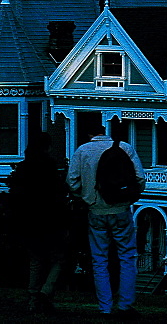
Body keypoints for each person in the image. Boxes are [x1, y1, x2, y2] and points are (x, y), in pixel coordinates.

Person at [68, 122, 146, 318]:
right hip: (121, 208)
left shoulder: (82, 151)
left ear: (89, 133)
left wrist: (86, 197)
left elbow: (72, 181)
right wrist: (129, 198)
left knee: (99, 259)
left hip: (96, 209)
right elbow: (140, 179)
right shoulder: (125, 147)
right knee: (127, 256)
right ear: (105, 130)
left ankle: (105, 307)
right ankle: (125, 305)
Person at [7, 131, 69, 315]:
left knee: (36, 259)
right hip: (49, 220)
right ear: (46, 147)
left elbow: (16, 196)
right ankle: (45, 291)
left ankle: (34, 298)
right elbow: (58, 193)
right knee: (59, 258)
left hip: (28, 221)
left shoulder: (23, 168)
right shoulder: (48, 166)